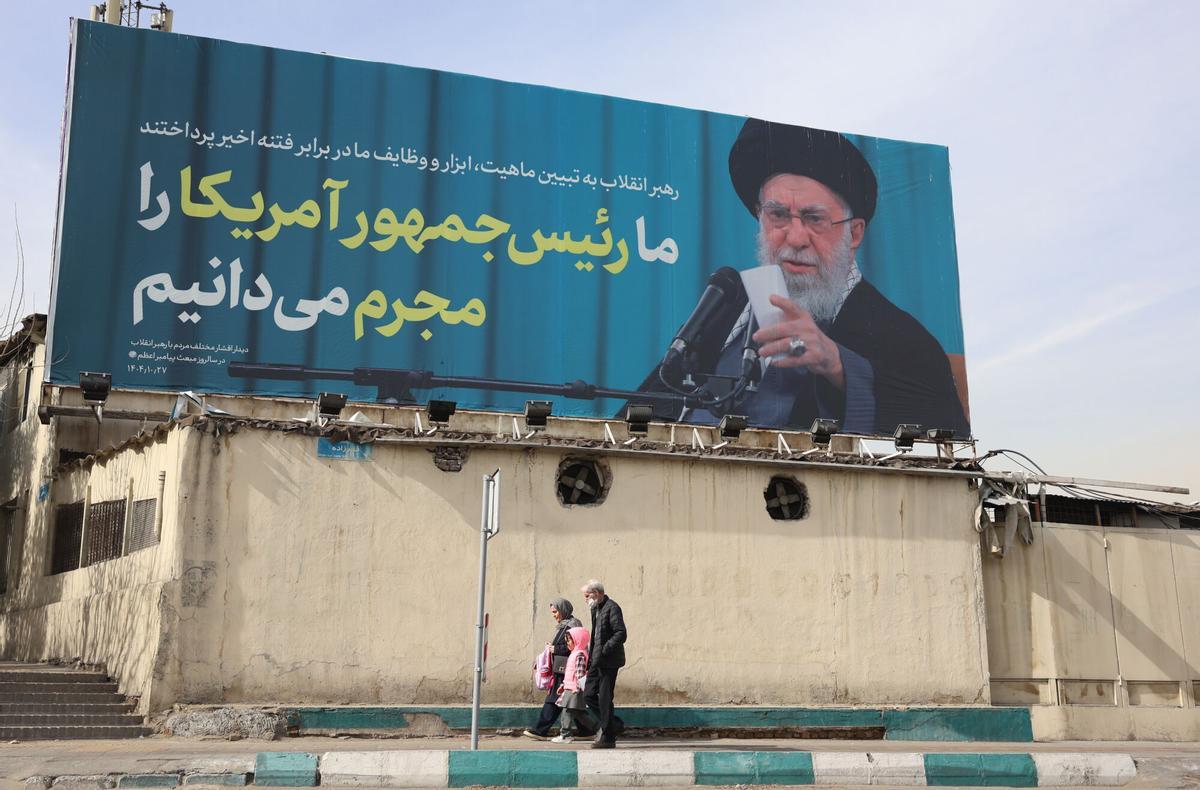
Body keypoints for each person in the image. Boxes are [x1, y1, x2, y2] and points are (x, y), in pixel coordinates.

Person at [635, 118, 970, 438]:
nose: (795, 238)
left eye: (814, 219)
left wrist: (837, 364)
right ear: (760, 218)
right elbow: (636, 417)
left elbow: (943, 437)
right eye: (778, 215)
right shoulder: (726, 309)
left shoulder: (903, 337)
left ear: (853, 234)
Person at [523, 597, 584, 740]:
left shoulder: (572, 626)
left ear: (563, 610)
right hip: (562, 669)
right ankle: (588, 729)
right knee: (570, 703)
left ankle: (540, 730)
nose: (554, 615)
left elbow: (573, 646)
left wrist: (554, 648)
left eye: (555, 611)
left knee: (554, 700)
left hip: (567, 670)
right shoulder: (564, 625)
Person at [581, 579, 626, 749]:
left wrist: (605, 649)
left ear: (597, 593)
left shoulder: (612, 607)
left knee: (605, 699)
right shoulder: (596, 609)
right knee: (588, 695)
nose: (586, 600)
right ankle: (613, 724)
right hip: (596, 660)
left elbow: (621, 633)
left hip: (608, 661)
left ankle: (608, 737)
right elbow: (595, 637)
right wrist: (592, 657)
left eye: (587, 596)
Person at [550, 626, 592, 743]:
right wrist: (563, 686)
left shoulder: (579, 655)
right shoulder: (574, 654)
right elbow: (570, 674)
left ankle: (565, 734)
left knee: (567, 711)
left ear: (578, 640)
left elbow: (580, 674)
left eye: (569, 640)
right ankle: (599, 729)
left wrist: (578, 688)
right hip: (570, 688)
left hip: (574, 689)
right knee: (579, 713)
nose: (567, 642)